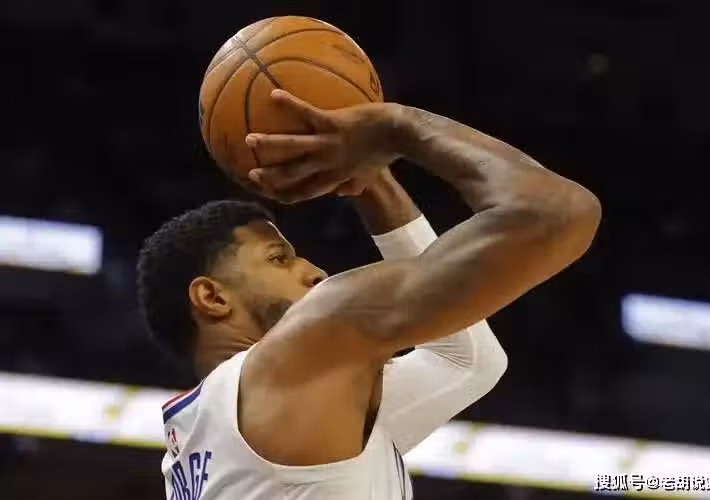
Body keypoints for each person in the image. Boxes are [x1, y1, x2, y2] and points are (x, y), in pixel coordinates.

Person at [137, 89, 601, 500]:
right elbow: (558, 212)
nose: (314, 272)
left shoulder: (208, 434)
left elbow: (467, 362)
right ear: (212, 298)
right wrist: (395, 127)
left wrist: (369, 179)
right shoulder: (301, 354)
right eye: (279, 259)